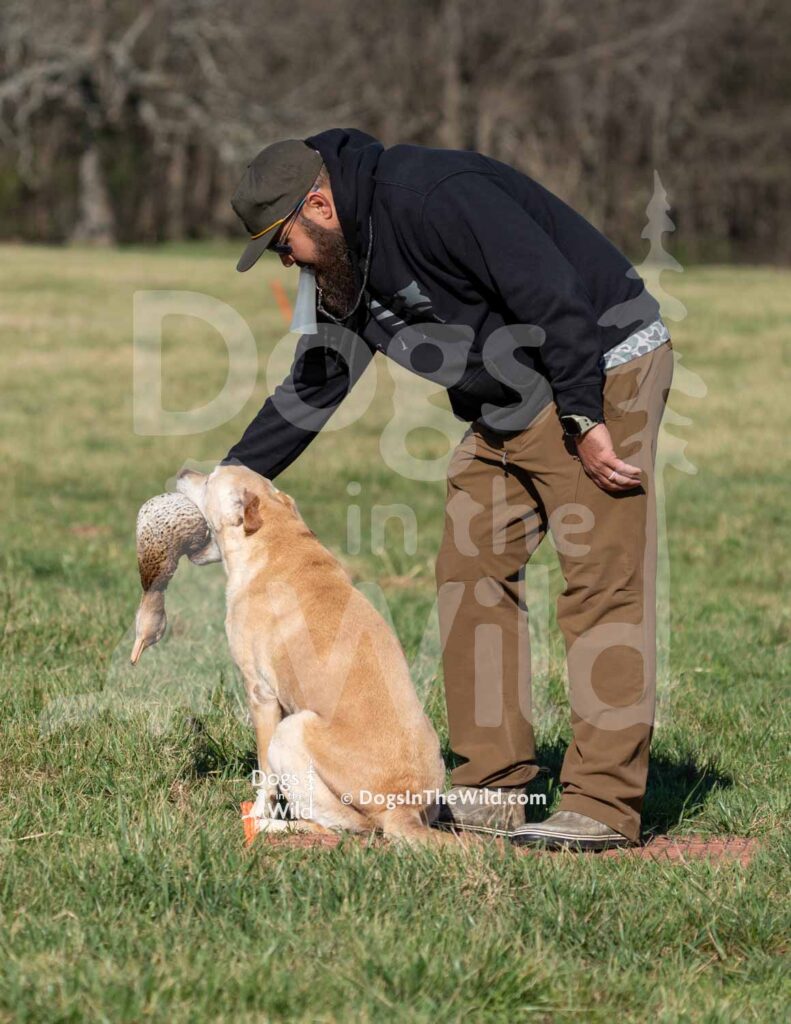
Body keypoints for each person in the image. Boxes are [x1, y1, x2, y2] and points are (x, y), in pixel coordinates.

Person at [221, 128, 674, 850]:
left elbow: (552, 295)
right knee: (470, 573)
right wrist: (229, 483)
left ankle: (601, 804)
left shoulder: (432, 197)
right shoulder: (343, 264)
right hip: (508, 400)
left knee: (600, 583)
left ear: (319, 205)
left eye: (284, 243)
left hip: (596, 364)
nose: (286, 260)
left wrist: (587, 414)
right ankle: (494, 787)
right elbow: (319, 377)